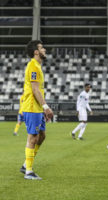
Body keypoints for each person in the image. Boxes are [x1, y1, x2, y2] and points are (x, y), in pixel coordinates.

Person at [20, 40, 53, 180]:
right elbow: (35, 89)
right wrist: (46, 107)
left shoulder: (37, 66)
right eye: (41, 48)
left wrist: (42, 108)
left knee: (42, 136)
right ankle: (28, 171)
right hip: (32, 107)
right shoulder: (33, 66)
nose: (44, 49)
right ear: (36, 52)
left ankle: (25, 164)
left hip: (37, 108)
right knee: (33, 138)